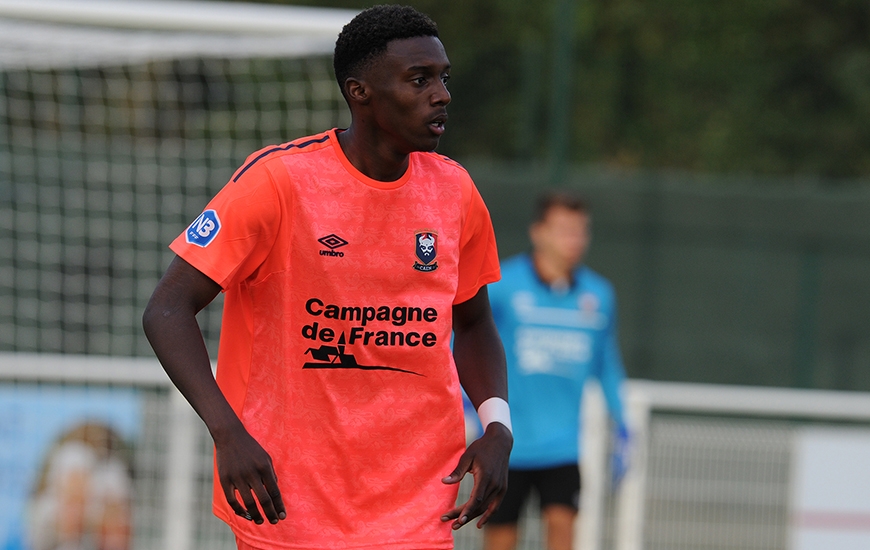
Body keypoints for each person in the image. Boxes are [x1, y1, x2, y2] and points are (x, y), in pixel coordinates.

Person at [142, 5, 513, 550]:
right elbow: (167, 310)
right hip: (288, 503)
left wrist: (497, 426)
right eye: (419, 80)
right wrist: (228, 433)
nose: (442, 94)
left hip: (416, 504)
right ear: (360, 92)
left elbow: (475, 324)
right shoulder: (278, 181)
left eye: (443, 78)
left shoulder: (455, 192)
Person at [483, 192, 629, 550]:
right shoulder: (503, 285)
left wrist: (623, 423)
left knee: (563, 532)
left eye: (581, 230)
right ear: (539, 232)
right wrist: (472, 412)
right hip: (509, 447)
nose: (574, 240)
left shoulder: (599, 295)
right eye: (564, 229)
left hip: (563, 449)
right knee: (500, 541)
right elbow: (466, 346)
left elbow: (605, 362)